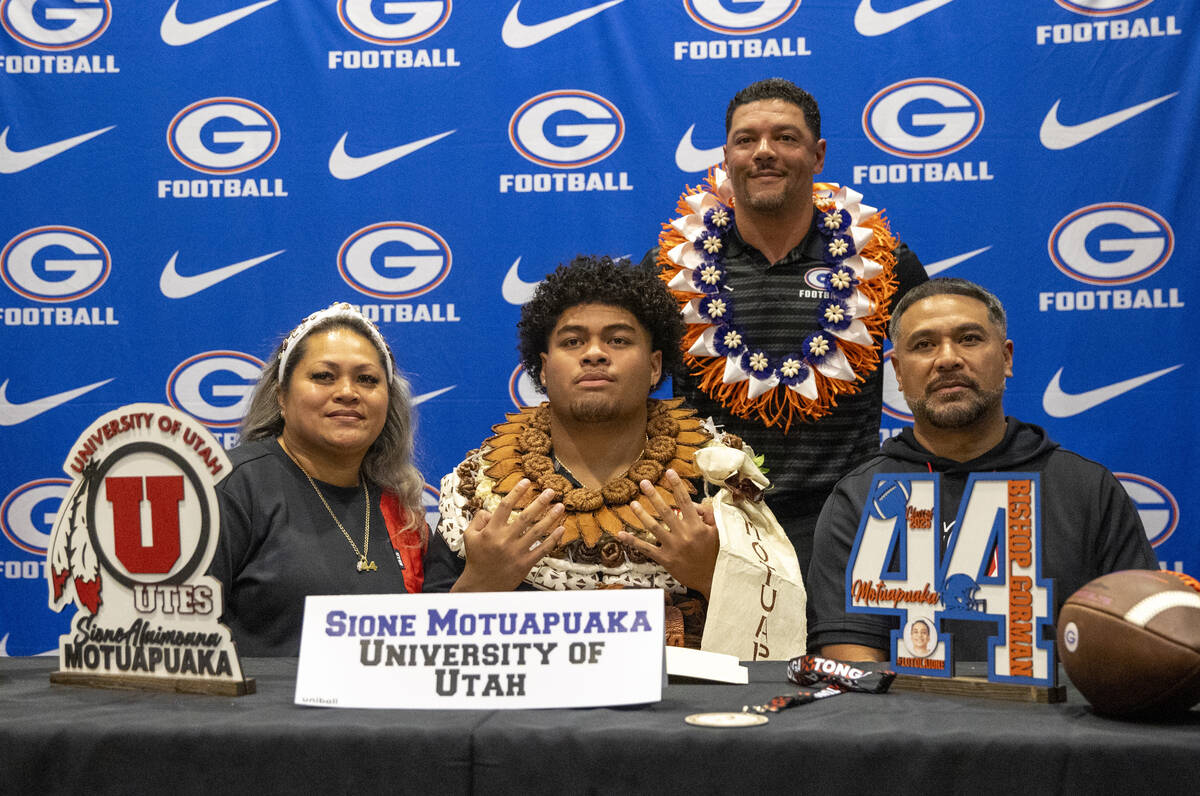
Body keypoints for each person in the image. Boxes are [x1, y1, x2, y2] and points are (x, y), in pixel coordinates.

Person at [425, 256, 805, 654]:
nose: (594, 354)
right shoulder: (479, 491)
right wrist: (480, 584)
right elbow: (424, 661)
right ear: (542, 370)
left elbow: (782, 643)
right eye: (572, 341)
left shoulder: (719, 478)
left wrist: (713, 575)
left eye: (618, 340)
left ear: (655, 366)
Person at [644, 77, 928, 576]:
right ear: (726, 156)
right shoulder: (672, 267)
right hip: (712, 527)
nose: (764, 152)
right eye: (746, 139)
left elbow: (930, 373)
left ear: (818, 156)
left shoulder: (882, 264)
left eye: (786, 138)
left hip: (849, 523)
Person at [807, 278, 1157, 661]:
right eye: (924, 345)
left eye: (969, 339)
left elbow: (1136, 643)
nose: (947, 359)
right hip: (904, 721)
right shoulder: (859, 498)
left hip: (1056, 719)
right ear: (899, 373)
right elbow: (853, 665)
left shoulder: (1087, 490)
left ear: (1006, 358)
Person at [210, 302, 427, 656]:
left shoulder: (401, 510)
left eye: (367, 379)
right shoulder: (231, 485)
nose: (347, 392)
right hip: (259, 711)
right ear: (282, 395)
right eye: (324, 376)